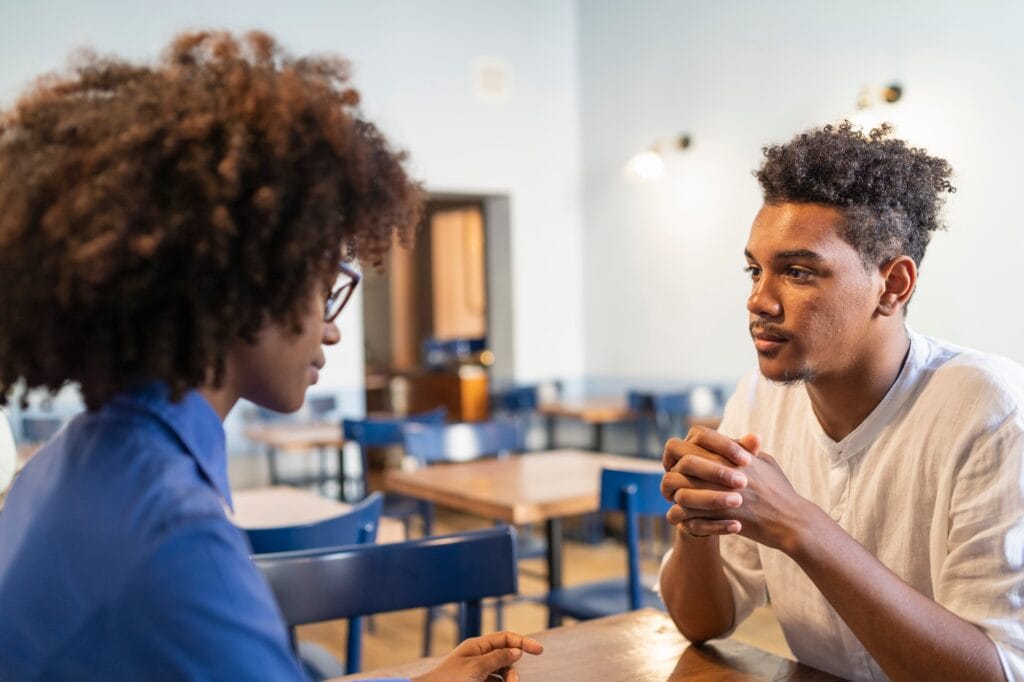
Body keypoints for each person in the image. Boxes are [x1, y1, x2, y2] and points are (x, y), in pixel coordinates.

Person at [0, 31, 541, 681]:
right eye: (323, 285)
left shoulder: (69, 461)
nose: (333, 332)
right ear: (245, 280)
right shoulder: (177, 539)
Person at [658, 122, 1024, 681]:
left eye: (798, 272)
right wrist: (697, 520)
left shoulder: (991, 410)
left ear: (894, 285)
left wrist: (799, 526)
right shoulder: (756, 399)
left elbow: (996, 672)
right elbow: (705, 623)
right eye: (755, 270)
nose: (759, 300)